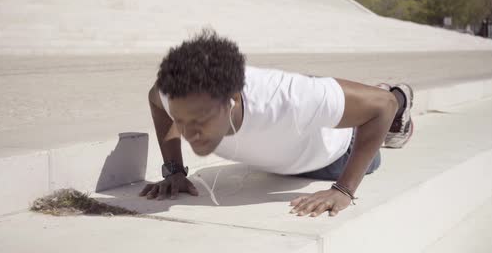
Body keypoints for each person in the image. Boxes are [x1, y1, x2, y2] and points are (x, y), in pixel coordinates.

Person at [140, 29, 414, 217]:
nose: (189, 133)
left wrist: (343, 190)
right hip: (293, 130)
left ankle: (400, 94)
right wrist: (174, 170)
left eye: (200, 119)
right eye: (181, 120)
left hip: (335, 151)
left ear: (232, 97)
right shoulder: (170, 92)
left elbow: (382, 106)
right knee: (313, 97)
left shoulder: (281, 98)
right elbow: (156, 102)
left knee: (377, 132)